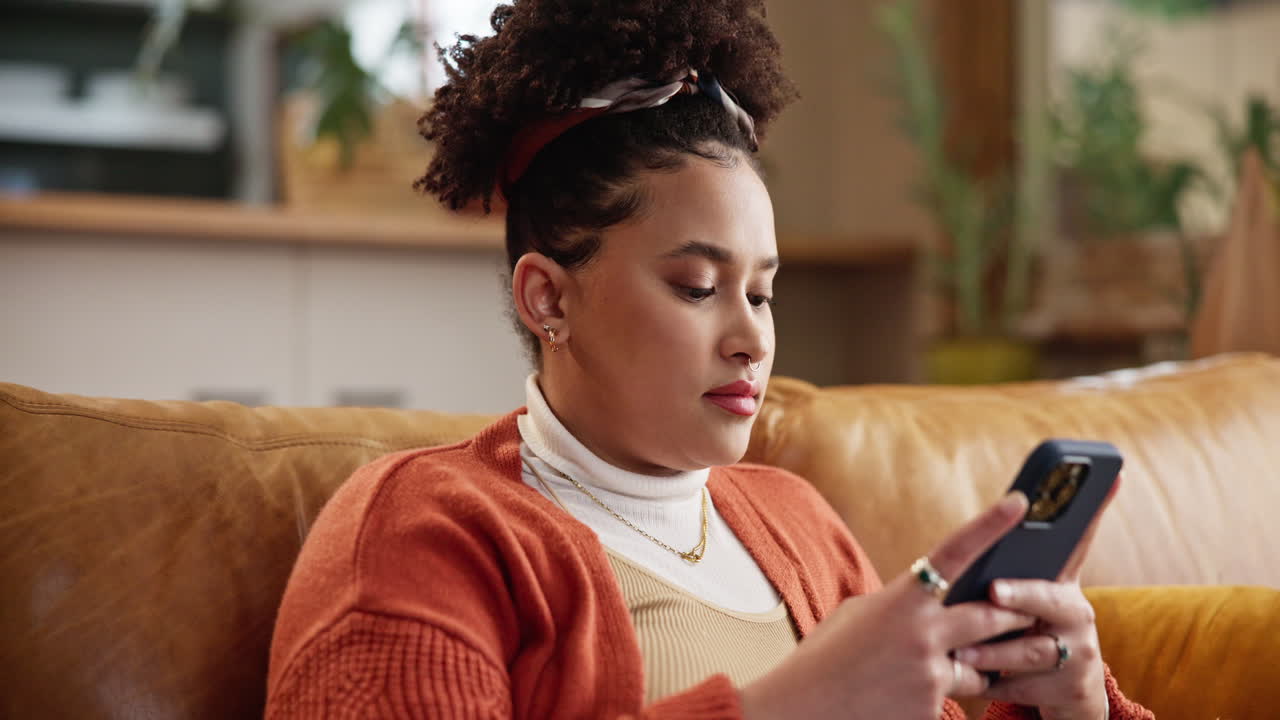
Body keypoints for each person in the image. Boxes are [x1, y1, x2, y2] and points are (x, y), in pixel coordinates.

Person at [265, 1, 1154, 718]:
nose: (753, 337)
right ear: (548, 298)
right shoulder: (423, 533)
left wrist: (1072, 706)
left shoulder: (797, 524)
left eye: (762, 293)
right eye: (698, 287)